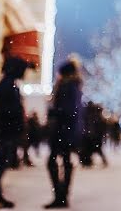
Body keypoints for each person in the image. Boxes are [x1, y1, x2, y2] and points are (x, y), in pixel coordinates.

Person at [0, 56, 30, 209]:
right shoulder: (7, 84)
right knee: (0, 163)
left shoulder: (8, 83)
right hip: (5, 131)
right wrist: (15, 114)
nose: (25, 73)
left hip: (5, 130)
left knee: (2, 163)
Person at [44, 58, 83, 209]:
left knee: (54, 161)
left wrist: (52, 111)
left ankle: (60, 195)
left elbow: (67, 111)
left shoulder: (67, 86)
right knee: (65, 161)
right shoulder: (75, 86)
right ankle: (62, 195)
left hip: (62, 130)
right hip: (68, 130)